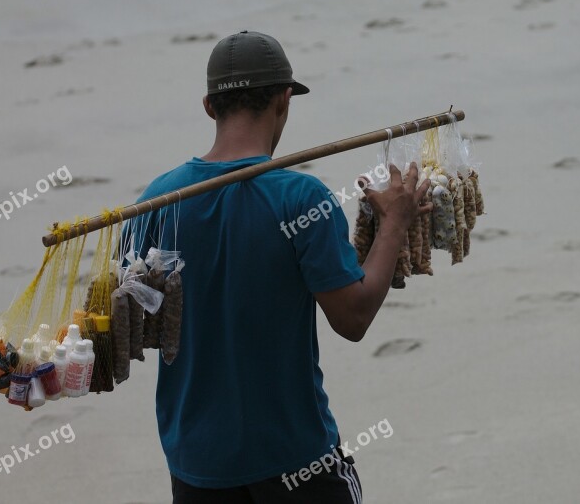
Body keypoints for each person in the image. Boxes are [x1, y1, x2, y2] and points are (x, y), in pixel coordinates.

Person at [131, 31, 431, 504]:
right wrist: (394, 223)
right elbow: (352, 319)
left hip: (197, 466)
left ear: (210, 106)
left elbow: (140, 323)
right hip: (297, 463)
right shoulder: (302, 199)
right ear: (284, 100)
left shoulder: (155, 203)